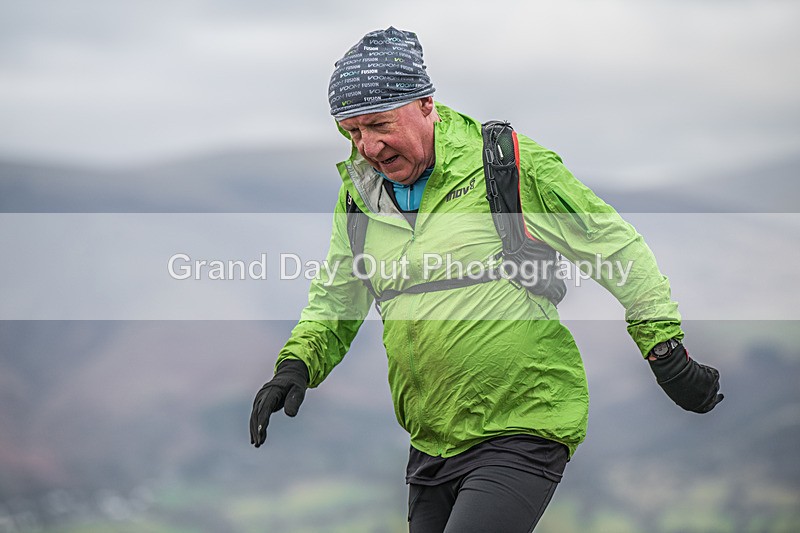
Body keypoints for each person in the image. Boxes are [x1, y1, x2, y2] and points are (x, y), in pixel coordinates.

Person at [249, 26, 724, 532]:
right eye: (351, 132)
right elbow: (336, 296)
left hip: (522, 425)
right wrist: (296, 365)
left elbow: (615, 246)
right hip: (430, 442)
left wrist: (664, 350)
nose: (367, 147)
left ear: (426, 104)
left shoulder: (505, 164)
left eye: (378, 125)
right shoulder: (359, 199)